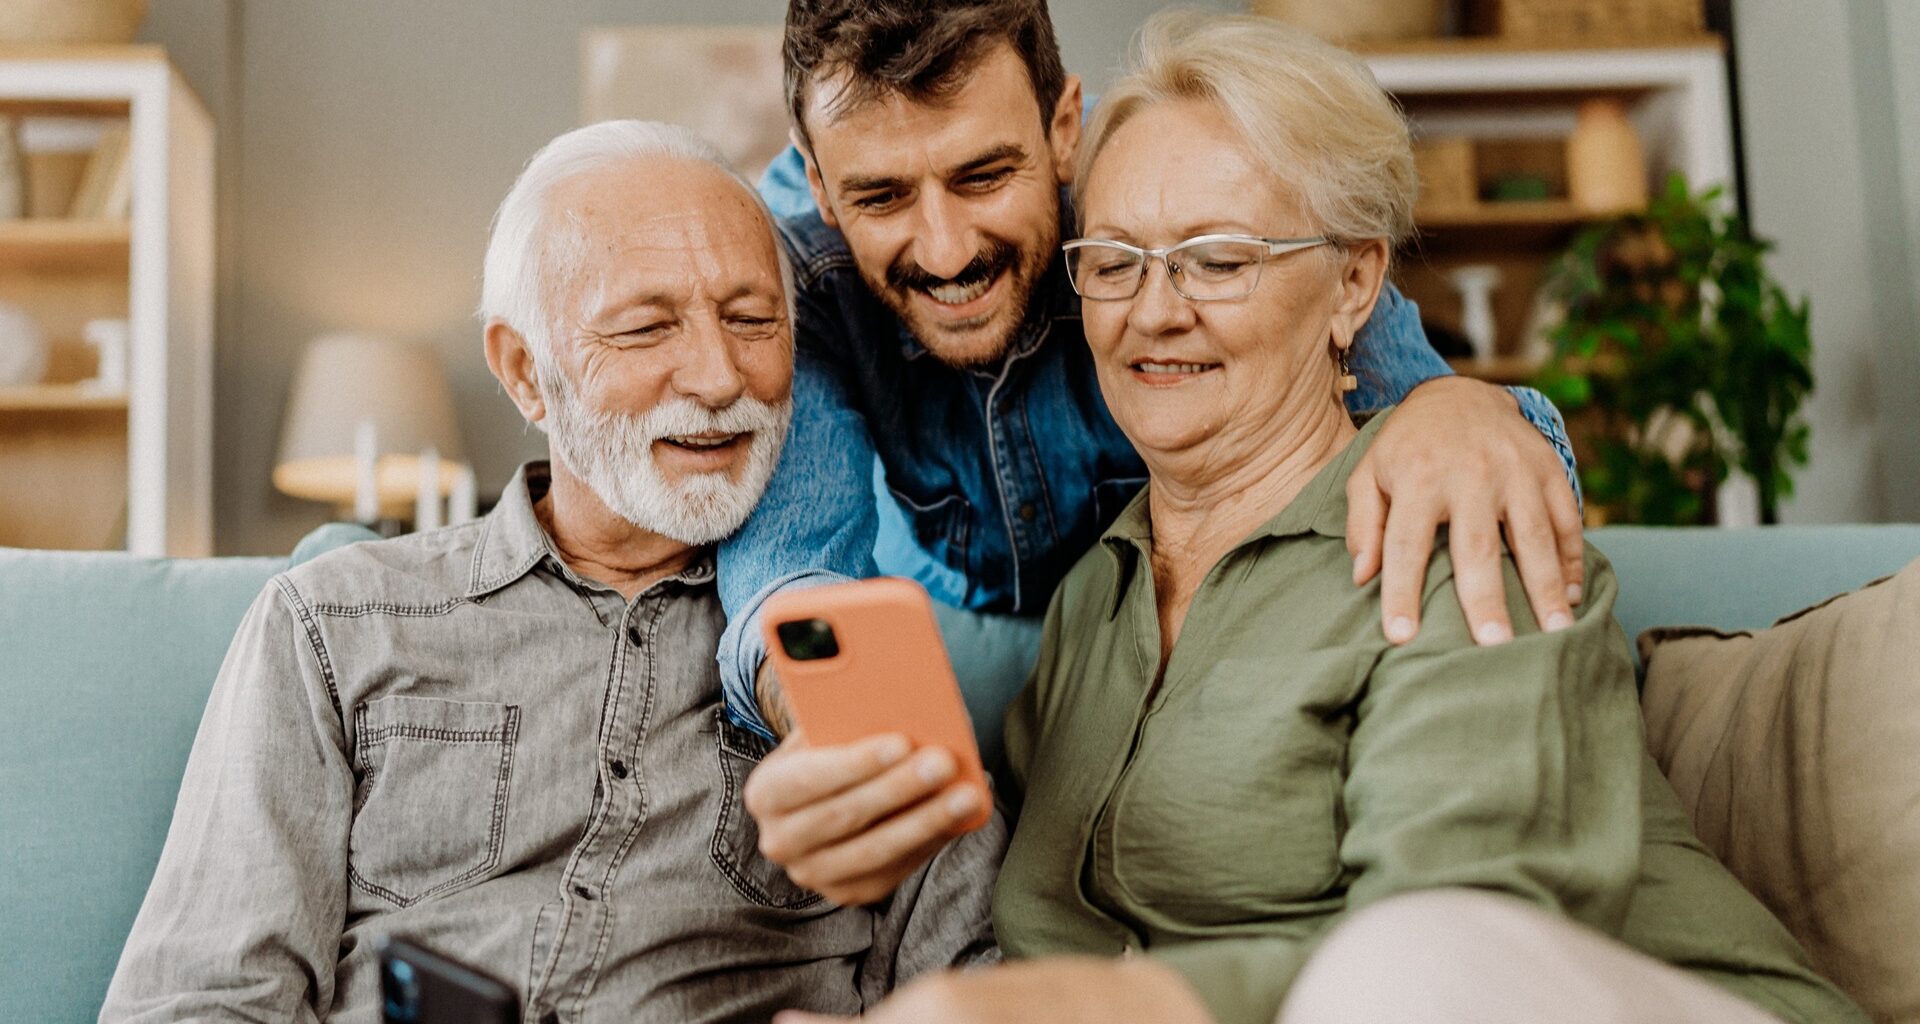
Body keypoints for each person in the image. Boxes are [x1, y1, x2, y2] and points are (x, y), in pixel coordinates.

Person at [755, 15, 1867, 1024]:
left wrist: (1092, 1005)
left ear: (1353, 288)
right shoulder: (1097, 593)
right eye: (1114, 262)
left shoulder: (1456, 518)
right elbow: (788, 571)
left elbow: (1458, 938)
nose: (1154, 311)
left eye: (1219, 259)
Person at [98, 121, 1001, 1024]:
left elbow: (967, 993)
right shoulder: (333, 622)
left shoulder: (851, 657)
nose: (721, 377)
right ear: (527, 373)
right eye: (647, 327)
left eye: (753, 320)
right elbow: (200, 999)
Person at [715, 0, 1590, 746]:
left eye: (983, 176)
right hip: (943, 598)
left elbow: (1400, 378)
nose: (946, 251)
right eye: (881, 197)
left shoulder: (1150, 197)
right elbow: (796, 564)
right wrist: (848, 739)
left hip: (1149, 606)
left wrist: (1458, 408)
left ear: (1064, 131)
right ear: (822, 188)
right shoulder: (795, 274)